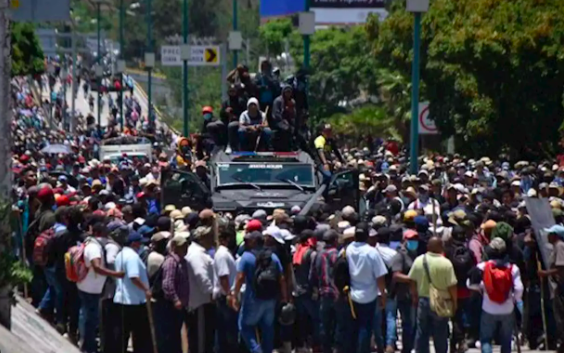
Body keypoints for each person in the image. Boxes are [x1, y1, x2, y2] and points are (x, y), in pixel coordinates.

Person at [231, 230, 288, 353]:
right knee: (268, 329)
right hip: (271, 299)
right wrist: (284, 297)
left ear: (253, 242)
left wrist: (234, 295)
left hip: (253, 299)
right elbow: (281, 278)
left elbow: (240, 277)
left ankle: (256, 351)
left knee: (245, 327)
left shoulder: (246, 257)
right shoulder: (273, 257)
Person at [468, 237, 523, 353]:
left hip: (488, 308)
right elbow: (519, 288)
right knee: (506, 340)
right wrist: (515, 300)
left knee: (486, 339)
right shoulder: (513, 268)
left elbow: (470, 284)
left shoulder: (482, 267)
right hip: (508, 309)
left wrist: (482, 288)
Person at [77, 222, 124, 353]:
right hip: (90, 288)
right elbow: (97, 267)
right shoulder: (93, 247)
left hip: (90, 286)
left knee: (88, 316)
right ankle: (88, 347)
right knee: (90, 319)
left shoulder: (93, 244)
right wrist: (116, 274)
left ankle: (86, 343)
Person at [408, 236, 458, 353]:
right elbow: (452, 285)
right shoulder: (446, 263)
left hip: (423, 301)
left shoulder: (419, 260)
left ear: (428, 247)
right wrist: (454, 302)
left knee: (422, 332)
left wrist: (414, 296)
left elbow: (412, 280)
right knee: (440, 333)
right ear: (441, 247)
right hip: (441, 302)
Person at [345, 222, 388, 353]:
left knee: (354, 327)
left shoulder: (349, 249)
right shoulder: (372, 252)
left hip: (352, 294)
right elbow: (380, 277)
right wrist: (383, 295)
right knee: (366, 327)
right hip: (369, 296)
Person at [113, 231, 153, 353]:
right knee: (139, 336)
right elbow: (133, 276)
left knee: (122, 335)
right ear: (134, 243)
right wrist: (146, 289)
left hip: (122, 299)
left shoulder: (120, 255)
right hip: (133, 302)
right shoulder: (133, 257)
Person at [154, 235, 190, 353]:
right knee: (169, 336)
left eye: (186, 246)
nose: (185, 249)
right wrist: (175, 299)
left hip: (180, 306)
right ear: (174, 247)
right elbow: (167, 284)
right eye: (182, 246)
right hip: (170, 306)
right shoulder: (171, 262)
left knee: (175, 335)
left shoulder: (182, 261)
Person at [185, 226, 216, 353]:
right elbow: (201, 277)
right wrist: (211, 294)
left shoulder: (198, 252)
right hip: (201, 304)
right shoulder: (197, 255)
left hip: (202, 302)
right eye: (210, 238)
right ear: (202, 239)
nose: (213, 241)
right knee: (201, 340)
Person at [310, 229, 340, 353]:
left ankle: (326, 348)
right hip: (336, 294)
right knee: (338, 323)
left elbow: (312, 276)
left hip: (323, 293)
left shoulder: (317, 255)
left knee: (324, 324)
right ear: (335, 241)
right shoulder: (336, 254)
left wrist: (316, 289)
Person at [538, 224, 564, 353]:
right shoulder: (556, 246)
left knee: (560, 315)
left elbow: (561, 268)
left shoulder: (560, 246)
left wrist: (545, 273)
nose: (547, 236)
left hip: (562, 286)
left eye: (550, 234)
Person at [213, 225, 238, 352]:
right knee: (228, 331)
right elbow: (224, 276)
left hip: (226, 297)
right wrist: (229, 295)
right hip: (225, 298)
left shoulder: (225, 253)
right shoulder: (222, 254)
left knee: (225, 330)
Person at [271, 85, 296, 151]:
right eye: (287, 92)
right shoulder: (278, 101)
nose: (288, 94)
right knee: (285, 129)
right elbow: (275, 114)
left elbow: (294, 115)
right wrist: (283, 121)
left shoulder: (292, 102)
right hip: (278, 121)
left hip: (289, 121)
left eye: (289, 92)